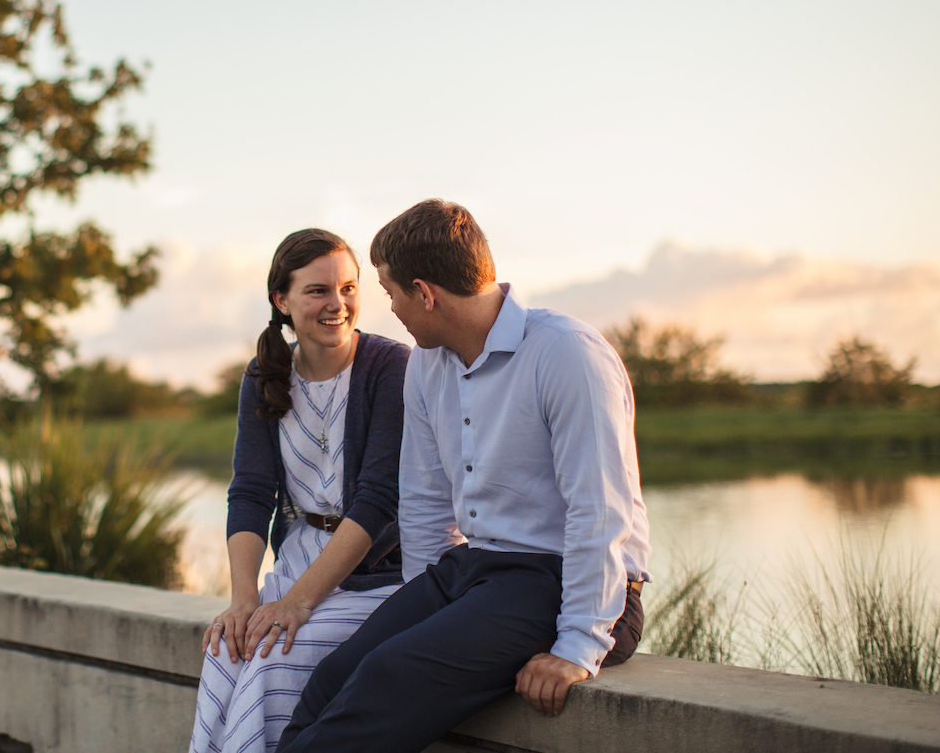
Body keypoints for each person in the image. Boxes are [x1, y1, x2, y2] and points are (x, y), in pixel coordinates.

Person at [277, 200, 650, 753]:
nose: (390, 308)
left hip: (566, 581)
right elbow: (426, 503)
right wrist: (419, 614)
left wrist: (576, 648)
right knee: (336, 674)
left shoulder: (567, 355)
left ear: (425, 293)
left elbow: (599, 514)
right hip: (475, 571)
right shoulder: (428, 365)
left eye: (391, 292)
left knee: (390, 677)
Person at [189, 228, 410, 753]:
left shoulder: (389, 368)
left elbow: (378, 501)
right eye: (318, 291)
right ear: (282, 300)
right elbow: (249, 493)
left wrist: (296, 605)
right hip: (296, 565)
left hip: (379, 578)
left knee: (271, 659)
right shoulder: (265, 374)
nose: (338, 304)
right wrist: (245, 599)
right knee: (226, 650)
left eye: (349, 288)